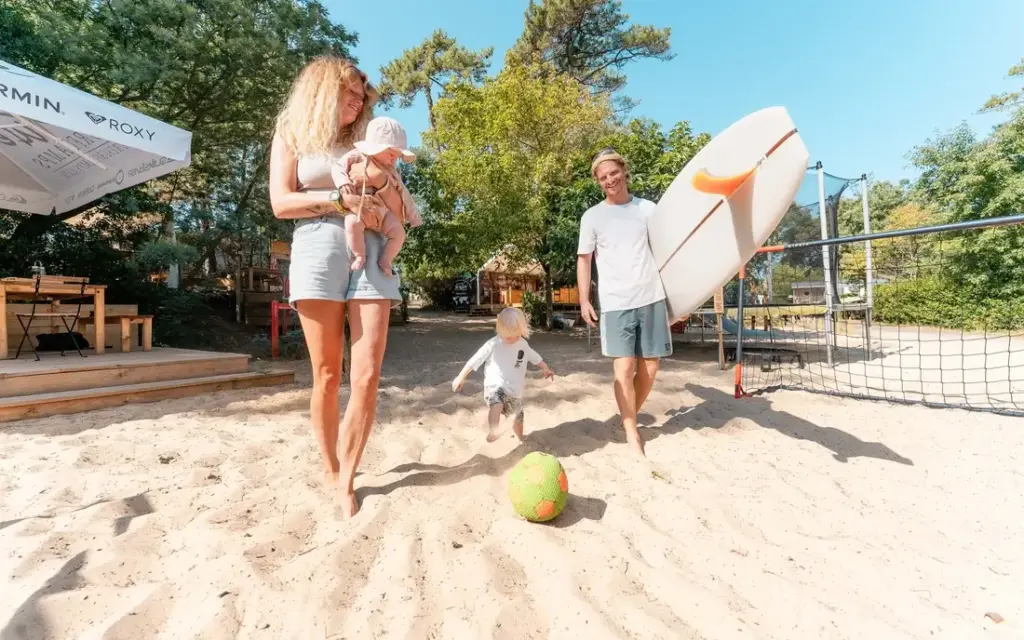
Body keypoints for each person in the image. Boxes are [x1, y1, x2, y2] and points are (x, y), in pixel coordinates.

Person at [268, 55, 396, 517]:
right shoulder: (293, 133)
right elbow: (280, 203)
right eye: (350, 93)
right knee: (327, 374)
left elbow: (391, 186)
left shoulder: (368, 138)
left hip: (374, 245)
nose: (359, 102)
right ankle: (329, 466)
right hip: (318, 245)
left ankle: (347, 478)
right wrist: (334, 199)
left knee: (366, 374)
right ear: (324, 90)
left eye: (363, 96)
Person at [576, 148, 672, 457]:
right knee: (625, 367)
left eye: (613, 173)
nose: (609, 180)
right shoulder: (592, 216)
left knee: (651, 367)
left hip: (651, 295)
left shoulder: (648, 209)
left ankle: (627, 415)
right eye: (603, 177)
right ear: (598, 181)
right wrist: (583, 299)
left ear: (624, 171)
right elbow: (584, 260)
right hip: (616, 301)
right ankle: (631, 430)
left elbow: (668, 249)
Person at [332, 116, 423, 275]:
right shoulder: (357, 156)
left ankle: (386, 260)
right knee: (352, 224)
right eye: (390, 153)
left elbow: (404, 194)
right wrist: (342, 182)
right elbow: (337, 167)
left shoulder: (392, 172)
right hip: (358, 208)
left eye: (397, 156)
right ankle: (359, 255)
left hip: (383, 212)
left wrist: (413, 216)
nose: (394, 159)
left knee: (399, 233)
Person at [451, 307, 555, 443]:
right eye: (508, 336)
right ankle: (493, 430)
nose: (512, 340)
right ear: (500, 330)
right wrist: (461, 376)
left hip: (514, 391)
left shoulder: (522, 344)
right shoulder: (493, 344)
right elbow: (475, 360)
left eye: (516, 335)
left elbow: (535, 358)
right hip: (495, 385)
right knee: (497, 403)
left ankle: (520, 438)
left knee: (517, 417)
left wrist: (546, 368)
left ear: (522, 331)